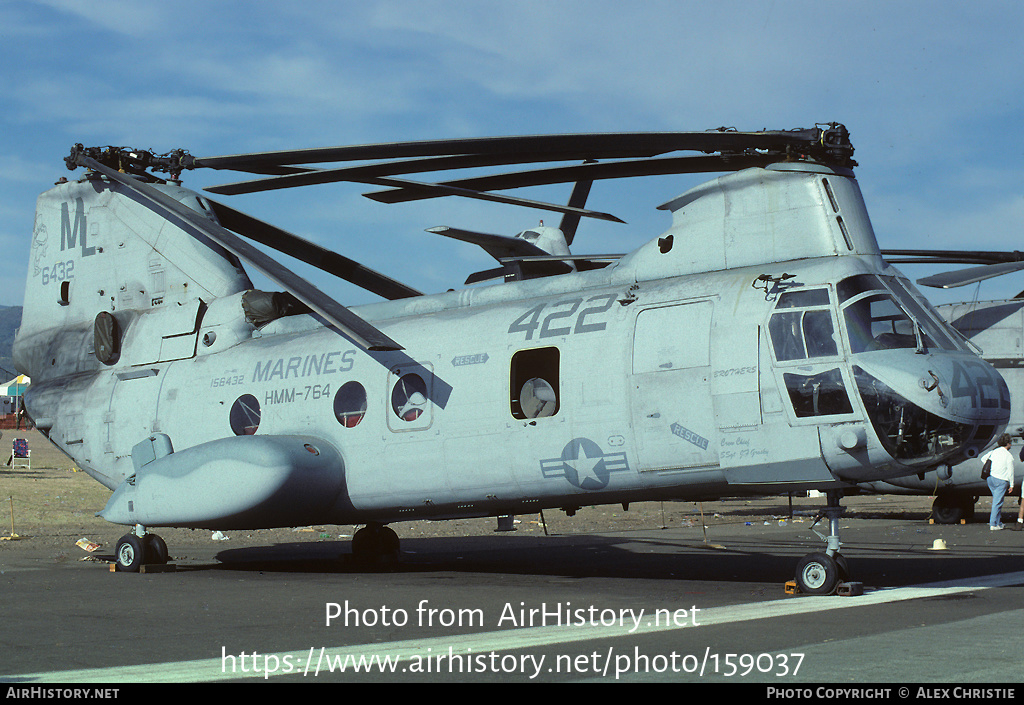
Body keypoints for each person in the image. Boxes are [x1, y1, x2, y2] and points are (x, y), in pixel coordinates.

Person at [982, 433, 1015, 530]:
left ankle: (998, 522)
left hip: (991, 479)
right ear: (1008, 443)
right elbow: (1011, 472)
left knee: (997, 501)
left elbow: (983, 459)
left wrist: (993, 466)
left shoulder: (994, 451)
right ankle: (993, 524)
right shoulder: (1008, 456)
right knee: (997, 503)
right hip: (1001, 481)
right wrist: (1012, 485)